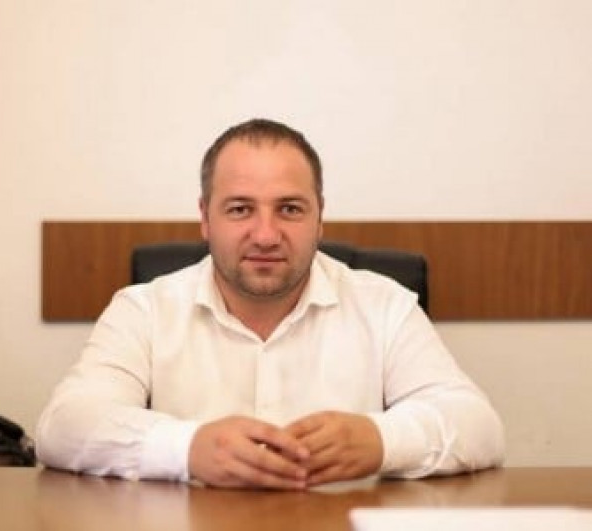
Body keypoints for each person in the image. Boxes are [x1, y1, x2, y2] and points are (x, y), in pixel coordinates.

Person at [36, 118, 505, 489]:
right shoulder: (143, 310)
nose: (265, 235)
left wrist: (382, 440)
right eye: (240, 209)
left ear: (320, 217)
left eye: (290, 209)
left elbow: (480, 427)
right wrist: (187, 448)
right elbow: (63, 426)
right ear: (205, 218)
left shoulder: (385, 306)